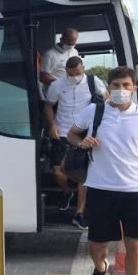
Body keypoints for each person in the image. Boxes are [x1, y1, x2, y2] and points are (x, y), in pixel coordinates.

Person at [67, 66, 138, 275]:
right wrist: (82, 142)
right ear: (108, 88)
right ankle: (100, 267)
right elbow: (71, 134)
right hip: (101, 188)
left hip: (136, 190)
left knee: (135, 244)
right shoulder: (94, 111)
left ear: (134, 88)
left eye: (126, 85)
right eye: (116, 86)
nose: (121, 90)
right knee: (97, 244)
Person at [45, 55, 107, 229]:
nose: (75, 77)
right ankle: (67, 192)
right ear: (66, 71)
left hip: (83, 133)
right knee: (58, 170)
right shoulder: (57, 85)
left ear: (83, 69)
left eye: (78, 73)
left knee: (84, 175)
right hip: (62, 131)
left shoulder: (94, 82)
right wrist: (52, 125)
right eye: (71, 74)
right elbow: (48, 106)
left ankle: (79, 213)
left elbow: (107, 101)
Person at [39, 28, 79, 99]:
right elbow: (43, 77)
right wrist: (63, 84)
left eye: (73, 44)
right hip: (56, 96)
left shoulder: (75, 52)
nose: (71, 47)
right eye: (69, 44)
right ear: (61, 40)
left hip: (73, 94)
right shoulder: (50, 55)